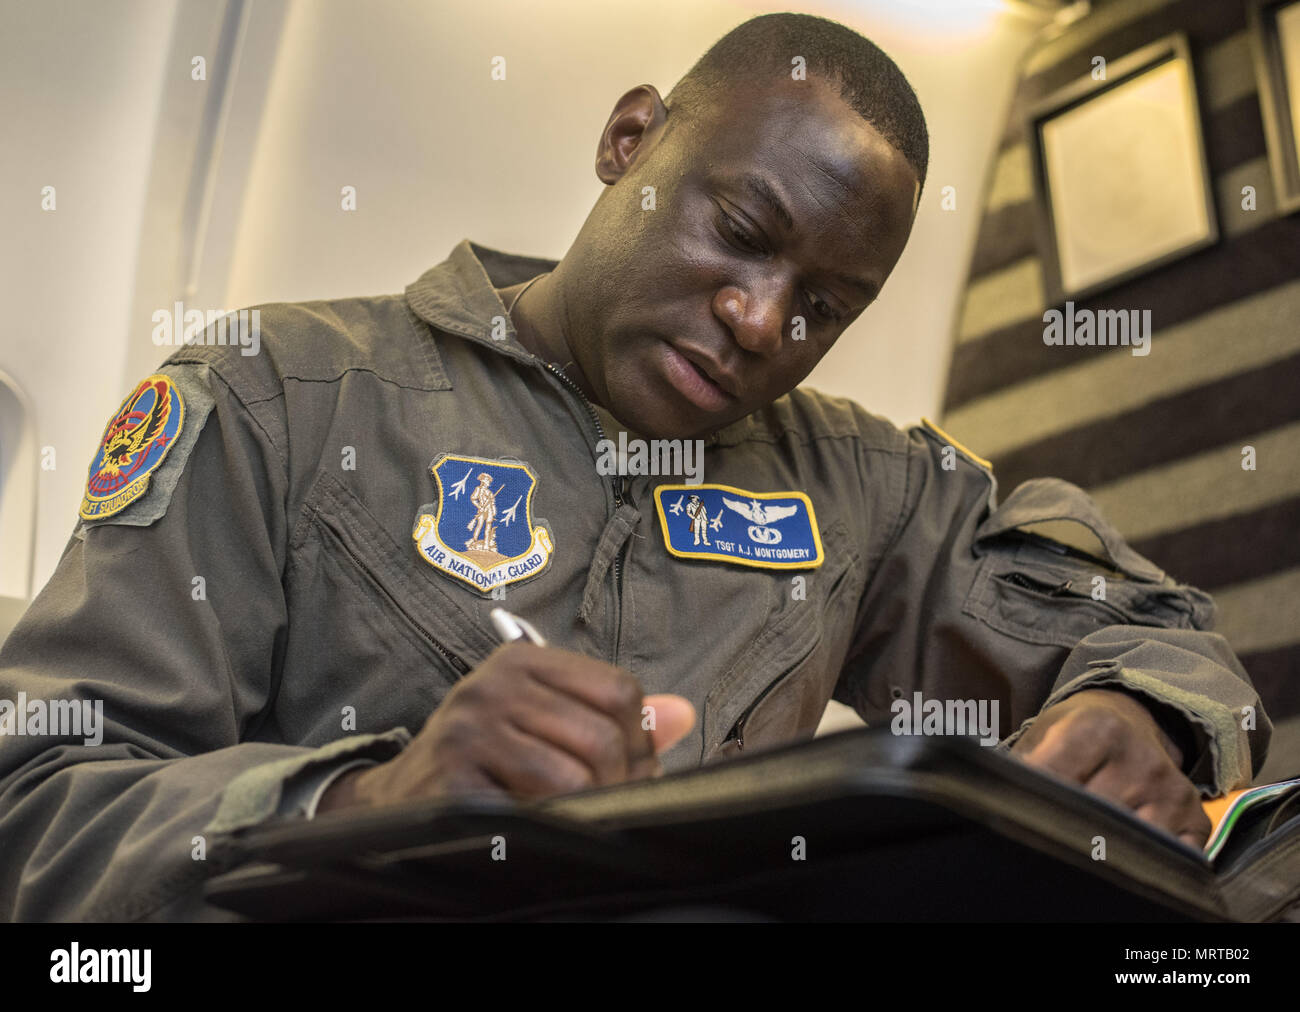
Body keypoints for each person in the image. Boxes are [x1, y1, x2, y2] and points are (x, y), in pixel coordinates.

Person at [0, 12, 1270, 922]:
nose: (768, 323)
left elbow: (1157, 629)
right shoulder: (280, 389)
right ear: (628, 142)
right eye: (743, 234)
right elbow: (38, 804)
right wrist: (361, 801)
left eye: (828, 305)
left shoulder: (862, 487)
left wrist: (1135, 715)